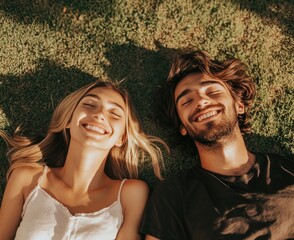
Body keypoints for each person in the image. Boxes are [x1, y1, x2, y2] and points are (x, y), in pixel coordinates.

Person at [141, 50, 294, 239]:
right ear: (182, 127)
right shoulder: (174, 195)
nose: (202, 101)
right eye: (187, 101)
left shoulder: (288, 168)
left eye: (212, 91)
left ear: (239, 105)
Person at [0, 80, 167, 240]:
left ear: (121, 138)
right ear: (68, 120)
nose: (100, 114)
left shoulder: (130, 194)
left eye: (114, 113)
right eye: (89, 105)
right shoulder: (27, 178)